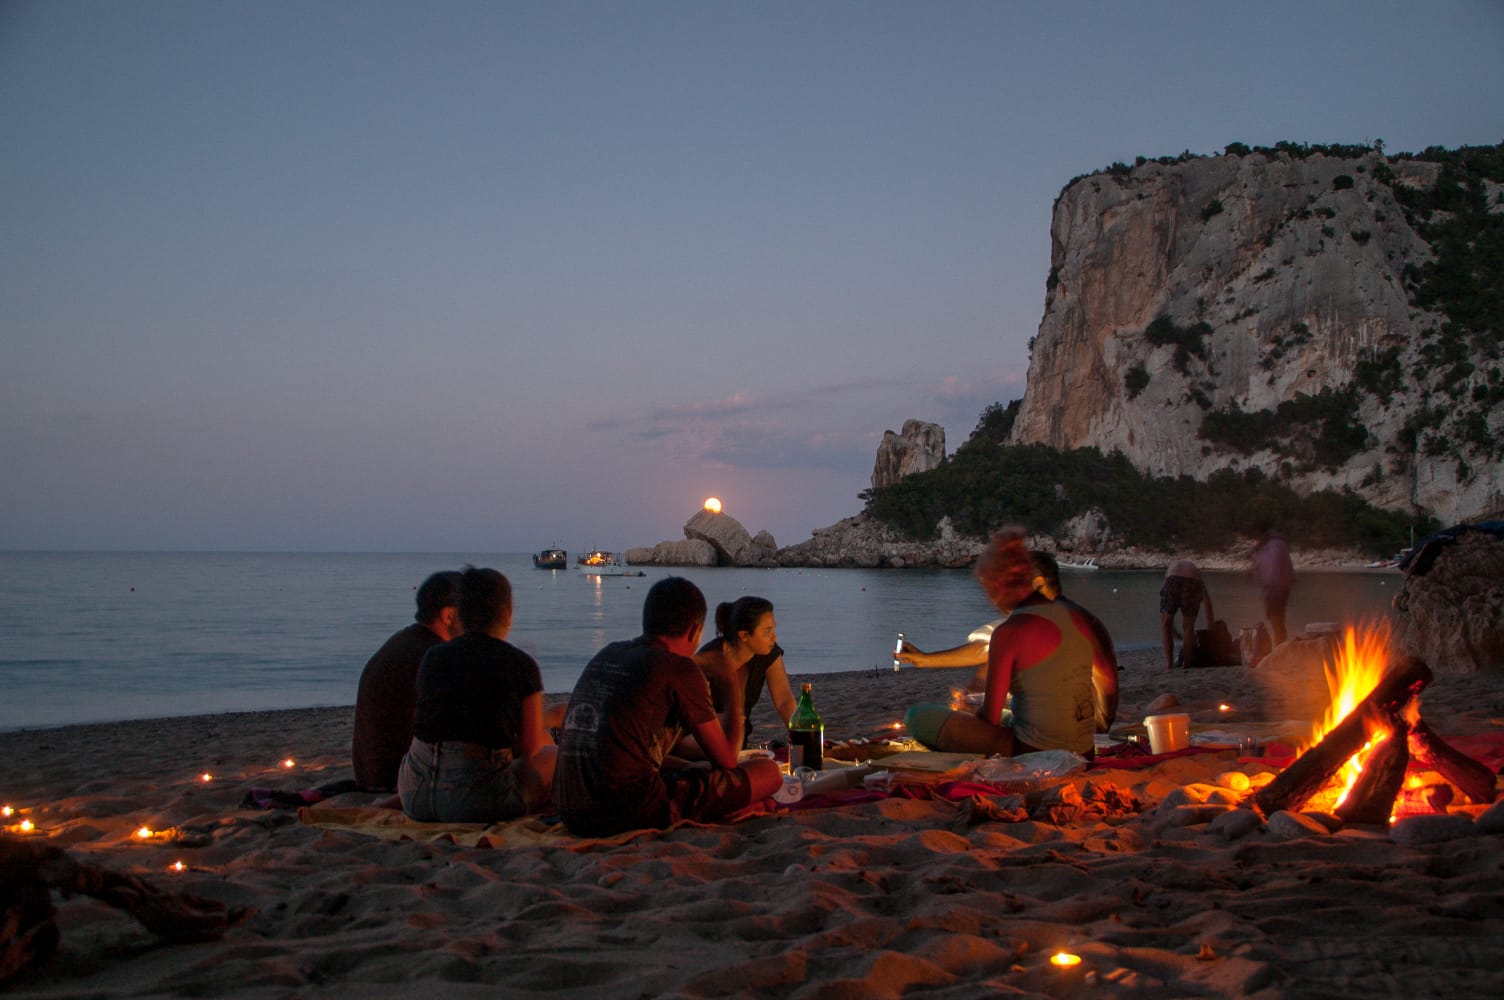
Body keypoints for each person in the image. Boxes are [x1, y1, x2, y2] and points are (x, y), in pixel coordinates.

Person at [553, 577, 784, 837]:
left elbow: (631, 751)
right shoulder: (678, 667)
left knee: (694, 769)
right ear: (694, 631)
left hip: (570, 806)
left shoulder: (608, 653)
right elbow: (728, 760)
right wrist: (732, 685)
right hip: (623, 811)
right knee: (768, 773)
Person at [902, 530, 1096, 758]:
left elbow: (990, 716)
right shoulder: (1082, 621)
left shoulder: (1011, 630)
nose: (994, 598)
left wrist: (973, 715)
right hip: (1085, 748)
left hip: (1035, 750)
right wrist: (925, 660)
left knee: (919, 716)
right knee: (1010, 715)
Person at [397, 567, 555, 822]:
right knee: (553, 756)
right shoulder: (520, 664)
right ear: (507, 612)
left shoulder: (433, 657)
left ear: (461, 613)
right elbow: (530, 748)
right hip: (475, 801)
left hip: (415, 794)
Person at [351, 571, 463, 792]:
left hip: (372, 776)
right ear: (449, 615)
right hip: (401, 781)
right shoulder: (436, 658)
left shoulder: (403, 643)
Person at [692, 596, 798, 751]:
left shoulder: (767, 652)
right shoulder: (710, 661)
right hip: (701, 747)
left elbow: (783, 699)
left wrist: (800, 736)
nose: (774, 637)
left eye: (773, 629)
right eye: (767, 631)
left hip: (738, 744)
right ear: (744, 635)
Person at [1160, 559, 1214, 670]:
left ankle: (1169, 665)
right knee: (1189, 628)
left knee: (1165, 625)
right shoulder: (1195, 572)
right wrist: (1211, 628)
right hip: (1193, 582)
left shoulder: (1171, 571)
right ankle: (1186, 664)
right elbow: (1207, 603)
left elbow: (1166, 622)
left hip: (1173, 580)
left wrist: (1173, 631)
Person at [1251, 527, 1295, 645]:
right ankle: (1280, 647)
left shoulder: (1269, 547)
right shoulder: (1280, 544)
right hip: (1283, 589)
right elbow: (1289, 569)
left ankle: (1279, 650)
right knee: (1279, 621)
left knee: (1276, 623)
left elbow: (1268, 570)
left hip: (1274, 590)